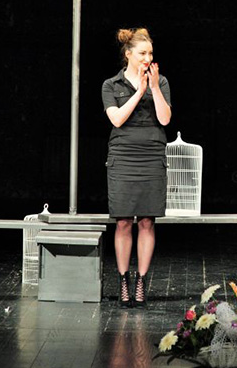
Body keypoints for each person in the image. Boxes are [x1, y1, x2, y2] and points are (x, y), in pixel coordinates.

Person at [101, 27, 171, 308]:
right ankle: (123, 280)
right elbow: (117, 119)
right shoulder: (111, 85)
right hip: (123, 156)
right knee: (122, 222)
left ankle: (141, 281)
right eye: (142, 53)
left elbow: (165, 119)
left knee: (146, 221)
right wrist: (139, 91)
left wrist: (152, 88)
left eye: (150, 53)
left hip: (152, 155)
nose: (147, 58)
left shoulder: (161, 81)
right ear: (128, 54)